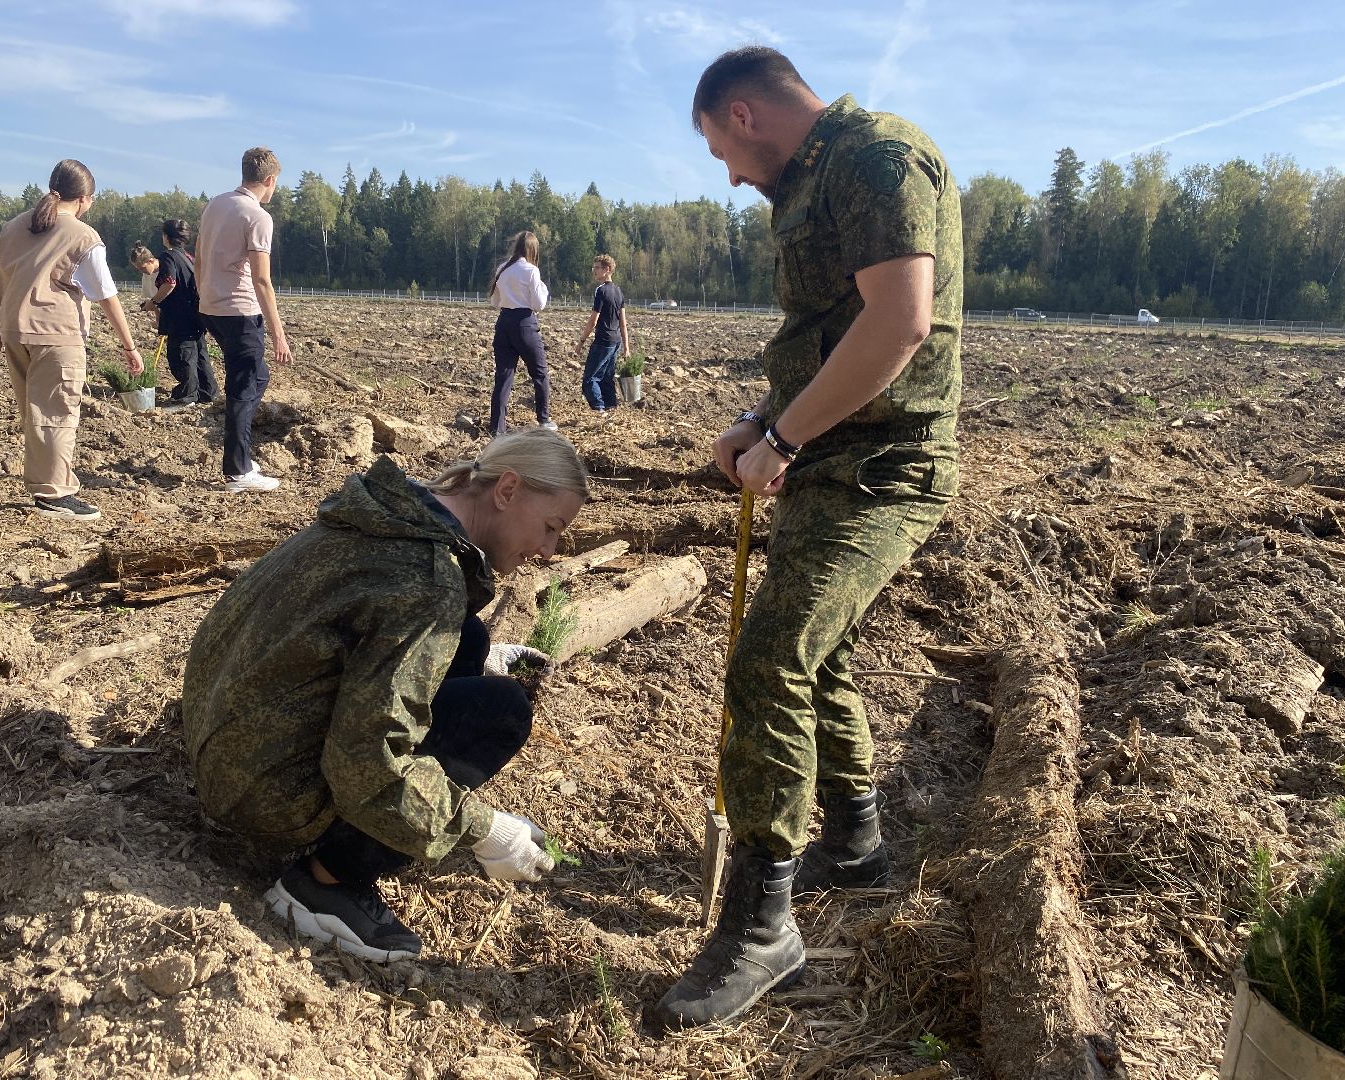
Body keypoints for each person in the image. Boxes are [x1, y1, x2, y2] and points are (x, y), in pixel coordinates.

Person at [653, 46, 962, 1030]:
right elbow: (829, 333)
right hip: (830, 458)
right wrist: (765, 417)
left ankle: (761, 927)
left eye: (720, 151)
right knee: (817, 655)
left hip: (884, 469)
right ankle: (857, 845)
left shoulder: (875, 159)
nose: (730, 177)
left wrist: (784, 436)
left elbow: (900, 323)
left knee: (771, 657)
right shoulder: (815, 181)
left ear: (743, 114)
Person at [182, 428, 589, 961]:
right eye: (551, 528)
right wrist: (483, 830)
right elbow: (366, 758)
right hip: (263, 792)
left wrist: (457, 658)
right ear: (507, 490)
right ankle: (323, 884)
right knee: (501, 712)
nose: (548, 551)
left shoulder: (397, 514)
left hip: (226, 736)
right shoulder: (425, 576)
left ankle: (368, 835)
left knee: (467, 637)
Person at [0, 160, 144, 522]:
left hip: (15, 331)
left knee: (34, 413)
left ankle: (45, 486)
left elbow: (0, 284)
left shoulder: (13, 228)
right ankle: (55, 493)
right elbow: (107, 296)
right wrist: (130, 346)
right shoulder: (83, 235)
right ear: (85, 199)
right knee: (57, 413)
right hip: (56, 335)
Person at [196, 146, 293, 494]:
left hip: (212, 308)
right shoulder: (258, 217)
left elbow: (198, 257)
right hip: (240, 311)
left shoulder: (216, 204)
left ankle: (241, 457)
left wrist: (204, 294)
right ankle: (238, 471)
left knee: (257, 375)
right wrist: (279, 334)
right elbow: (261, 279)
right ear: (270, 180)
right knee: (243, 388)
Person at [143, 220, 216, 411]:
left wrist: (154, 302)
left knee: (182, 355)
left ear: (166, 237)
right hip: (196, 313)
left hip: (179, 315)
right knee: (199, 353)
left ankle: (187, 396)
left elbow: (170, 282)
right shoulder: (189, 257)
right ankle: (207, 392)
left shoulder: (168, 256)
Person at [488, 230, 556, 435]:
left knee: (503, 377)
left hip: (504, 323)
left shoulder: (502, 268)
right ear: (533, 249)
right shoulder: (531, 271)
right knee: (540, 373)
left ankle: (497, 429)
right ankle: (543, 420)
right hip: (524, 323)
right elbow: (539, 304)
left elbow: (495, 301)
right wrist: (543, 288)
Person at [575, 254, 630, 415]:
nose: (594, 271)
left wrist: (581, 341)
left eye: (597, 268)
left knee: (590, 379)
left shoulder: (601, 290)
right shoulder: (618, 291)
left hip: (603, 340)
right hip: (616, 341)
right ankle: (611, 406)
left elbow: (593, 320)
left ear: (607, 270)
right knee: (607, 376)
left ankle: (599, 408)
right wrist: (626, 347)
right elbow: (623, 322)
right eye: (594, 267)